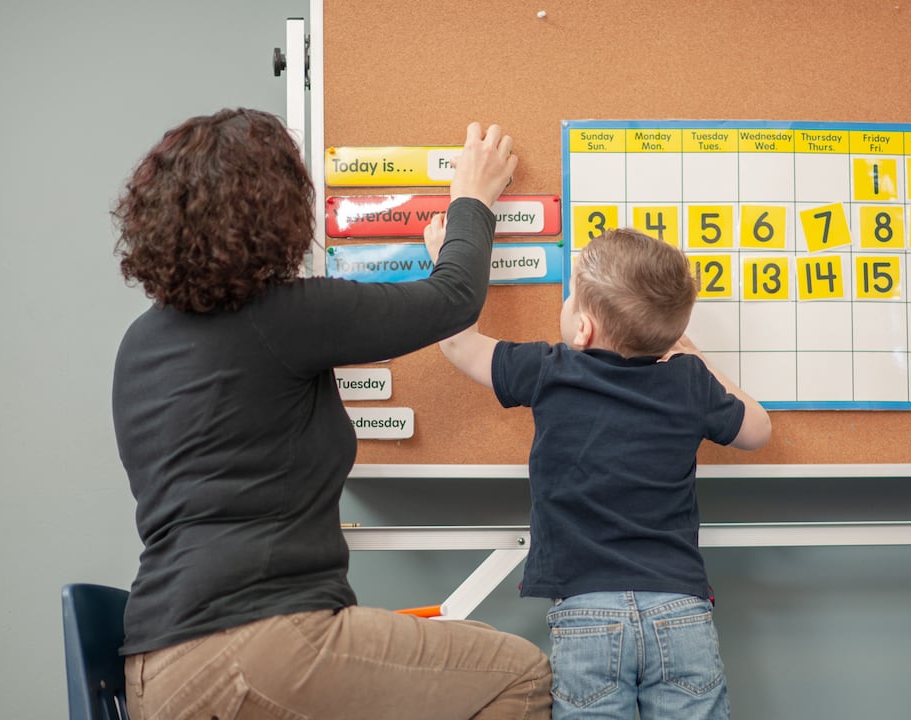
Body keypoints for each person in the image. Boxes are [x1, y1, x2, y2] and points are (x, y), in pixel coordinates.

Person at [110, 109, 551, 720]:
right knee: (519, 675)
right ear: (276, 211)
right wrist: (472, 200)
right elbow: (453, 297)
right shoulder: (289, 316)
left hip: (153, 671)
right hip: (257, 645)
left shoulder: (139, 345)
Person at [428, 223, 772, 720]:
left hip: (585, 610)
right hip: (680, 610)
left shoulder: (551, 369)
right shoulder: (688, 381)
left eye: (571, 297)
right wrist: (689, 350)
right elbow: (757, 428)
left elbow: (459, 346)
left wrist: (449, 256)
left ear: (583, 329)